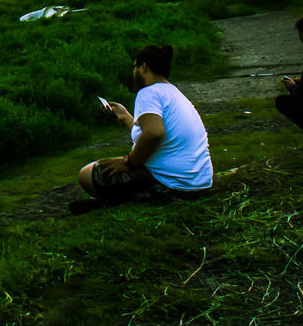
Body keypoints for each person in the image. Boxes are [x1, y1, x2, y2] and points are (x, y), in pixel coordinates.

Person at [71, 45, 212, 213]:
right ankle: (123, 199)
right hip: (199, 183)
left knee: (87, 174)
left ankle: (120, 201)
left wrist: (128, 162)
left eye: (135, 67)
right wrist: (125, 116)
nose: (134, 72)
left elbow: (153, 133)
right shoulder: (173, 92)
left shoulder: (148, 93)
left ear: (143, 67)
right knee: (108, 168)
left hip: (174, 186)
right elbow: (148, 131)